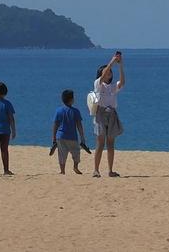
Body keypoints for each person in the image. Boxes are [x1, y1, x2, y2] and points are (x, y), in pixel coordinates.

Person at [91, 50, 125, 178]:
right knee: (100, 142)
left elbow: (122, 82)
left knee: (111, 144)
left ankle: (110, 170)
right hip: (100, 113)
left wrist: (120, 64)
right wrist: (112, 61)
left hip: (112, 114)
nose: (109, 73)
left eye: (110, 72)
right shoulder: (98, 84)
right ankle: (96, 170)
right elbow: (104, 73)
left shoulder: (113, 86)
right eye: (106, 72)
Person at [50, 88, 90, 174]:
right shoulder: (75, 111)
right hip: (72, 137)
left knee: (62, 155)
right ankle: (75, 167)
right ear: (71, 100)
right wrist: (82, 137)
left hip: (60, 136)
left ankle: (62, 171)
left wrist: (53, 138)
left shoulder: (58, 111)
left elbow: (55, 125)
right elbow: (79, 125)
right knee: (76, 153)